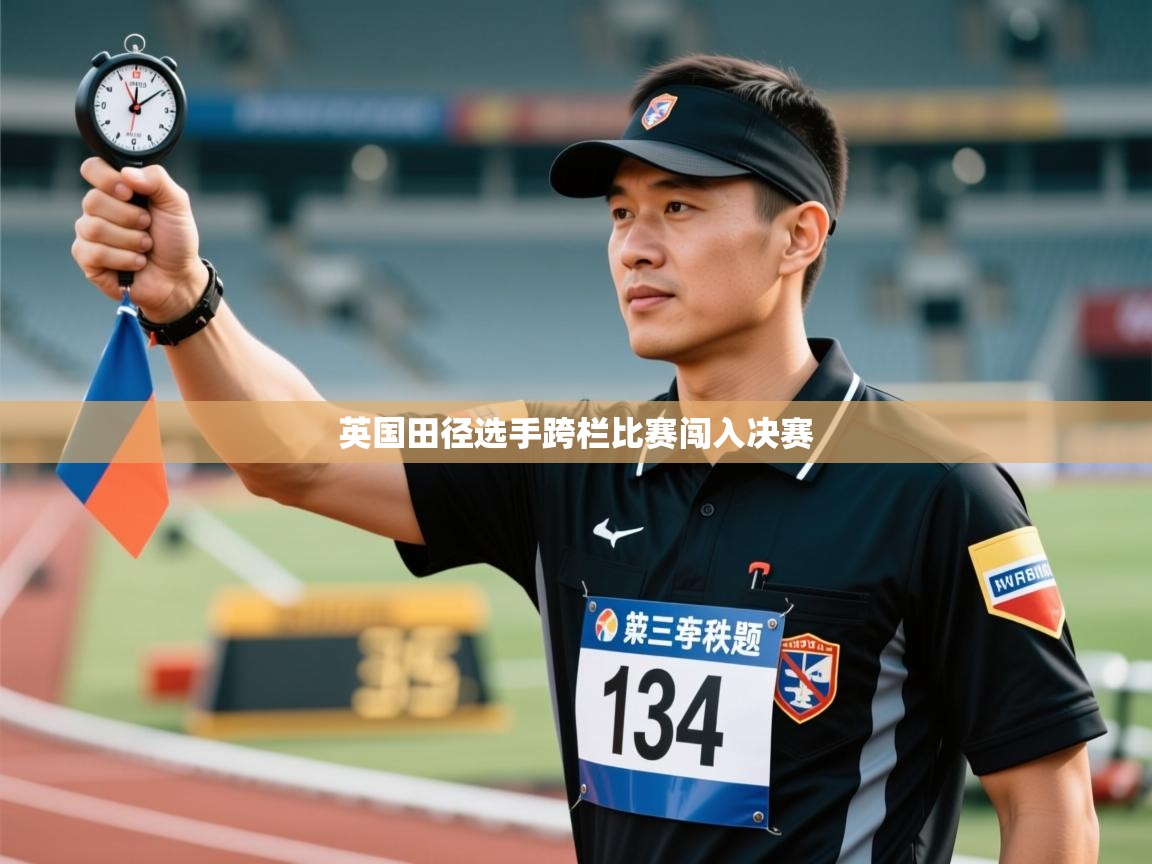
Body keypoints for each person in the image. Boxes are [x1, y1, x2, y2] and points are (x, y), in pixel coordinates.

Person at [72, 54, 1104, 863]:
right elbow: (297, 455)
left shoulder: (938, 492)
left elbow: (1048, 804)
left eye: (679, 207)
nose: (635, 246)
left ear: (799, 237)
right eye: (621, 214)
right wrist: (187, 299)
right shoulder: (562, 456)